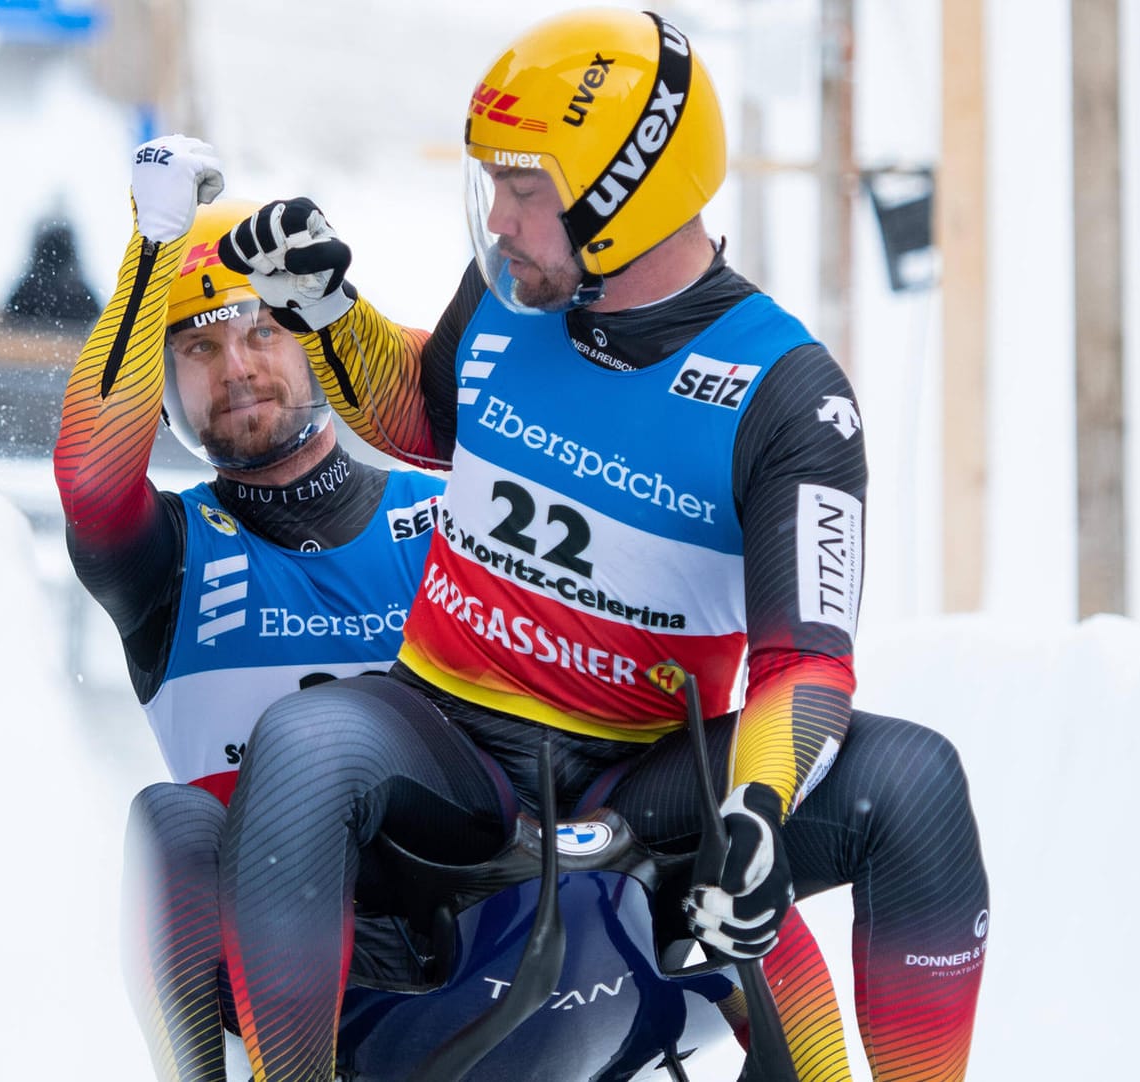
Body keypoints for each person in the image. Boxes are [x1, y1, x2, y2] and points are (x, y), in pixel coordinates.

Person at [215, 9, 990, 1081]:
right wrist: (329, 315)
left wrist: (758, 808)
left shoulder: (790, 397)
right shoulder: (507, 295)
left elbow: (807, 664)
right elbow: (435, 422)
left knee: (915, 783)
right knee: (303, 745)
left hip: (640, 775)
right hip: (450, 734)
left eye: (526, 188)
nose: (501, 217)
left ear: (627, 191)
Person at [53, 134, 445, 1082]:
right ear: (166, 386)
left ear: (311, 337)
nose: (235, 366)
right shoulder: (166, 551)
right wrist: (153, 250)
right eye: (197, 346)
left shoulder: (441, 513)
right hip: (270, 959)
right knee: (170, 823)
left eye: (263, 331)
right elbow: (91, 481)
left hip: (467, 925)